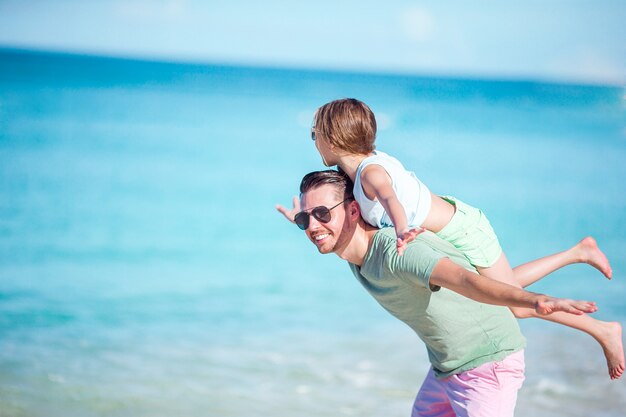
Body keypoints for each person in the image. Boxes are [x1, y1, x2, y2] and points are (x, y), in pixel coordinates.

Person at [296, 97, 624, 380]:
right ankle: (578, 252)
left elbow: (390, 198)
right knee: (502, 289)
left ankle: (602, 327)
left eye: (315, 134)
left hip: (464, 230)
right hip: (446, 231)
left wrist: (400, 230)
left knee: (515, 305)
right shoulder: (354, 175)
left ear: (333, 139)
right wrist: (307, 217)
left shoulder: (370, 173)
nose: (313, 140)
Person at [277, 169, 601, 417]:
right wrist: (307, 221)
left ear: (352, 210)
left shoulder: (396, 252)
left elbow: (466, 280)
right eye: (307, 218)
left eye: (323, 213)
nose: (313, 226)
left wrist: (535, 301)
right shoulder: (352, 251)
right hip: (447, 369)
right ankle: (576, 252)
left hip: (487, 365)